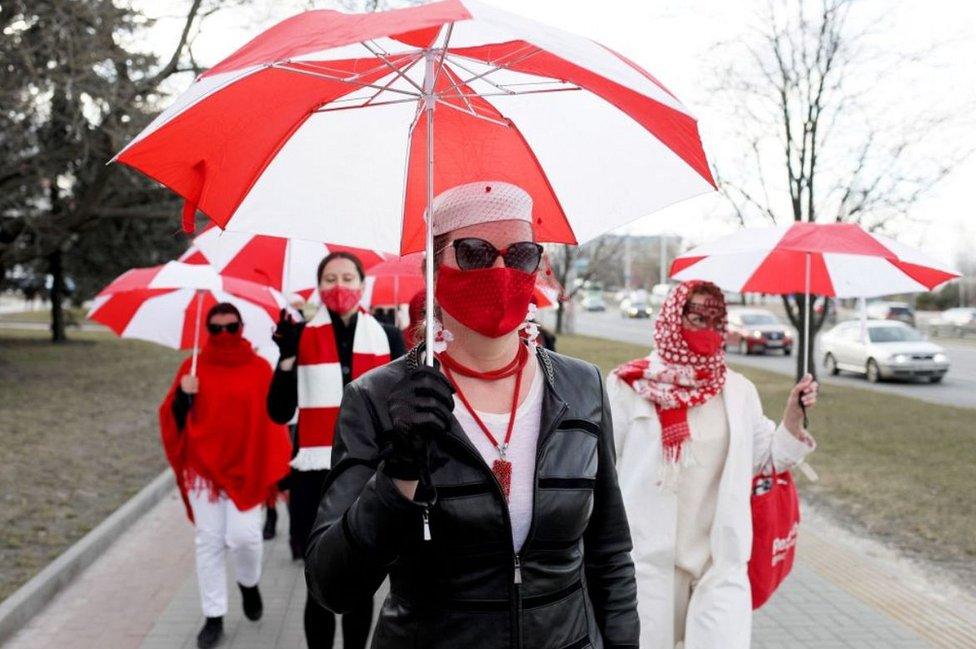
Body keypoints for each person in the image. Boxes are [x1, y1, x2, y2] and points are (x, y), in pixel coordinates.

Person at [304, 181, 639, 649]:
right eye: (476, 252)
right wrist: (397, 477)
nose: (501, 270)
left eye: (520, 254)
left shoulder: (582, 386)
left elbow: (609, 554)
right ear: (433, 269)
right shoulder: (378, 398)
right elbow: (332, 586)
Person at [607, 280, 818, 649]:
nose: (706, 326)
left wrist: (793, 418)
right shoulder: (628, 385)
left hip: (718, 562)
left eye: (715, 318)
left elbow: (769, 459)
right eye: (696, 315)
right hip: (648, 561)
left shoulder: (737, 391)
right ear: (673, 317)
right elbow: (602, 470)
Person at [267, 251, 405, 649]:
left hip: (369, 474)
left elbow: (399, 405)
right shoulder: (301, 335)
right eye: (330, 279)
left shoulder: (385, 335)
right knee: (319, 583)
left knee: (362, 580)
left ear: (362, 285)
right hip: (315, 475)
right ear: (318, 287)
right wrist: (288, 357)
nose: (339, 287)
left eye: (348, 278)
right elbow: (278, 411)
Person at [159, 302, 292, 649]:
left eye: (230, 327)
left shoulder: (259, 367)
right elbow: (172, 419)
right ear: (207, 329)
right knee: (209, 541)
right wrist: (182, 399)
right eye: (215, 328)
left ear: (241, 327)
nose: (223, 334)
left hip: (247, 467)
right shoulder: (193, 366)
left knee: (245, 538)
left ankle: (249, 583)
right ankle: (213, 615)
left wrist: (278, 468)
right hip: (203, 469)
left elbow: (272, 420)